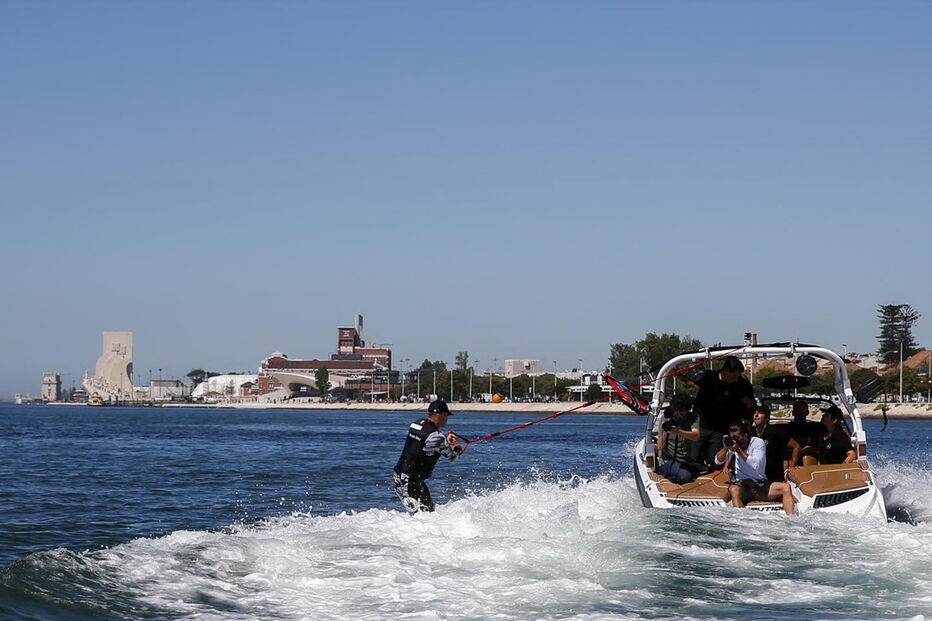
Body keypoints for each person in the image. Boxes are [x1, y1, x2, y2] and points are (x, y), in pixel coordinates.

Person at [393, 399, 463, 514]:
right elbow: (452, 457)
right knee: (417, 516)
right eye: (446, 416)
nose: (447, 420)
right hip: (406, 482)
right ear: (442, 415)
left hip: (406, 478)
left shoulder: (417, 424)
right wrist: (456, 446)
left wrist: (444, 441)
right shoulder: (436, 437)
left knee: (428, 513)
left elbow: (425, 443)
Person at [715, 420, 795, 515]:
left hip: (760, 484)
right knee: (734, 489)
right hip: (743, 485)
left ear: (745, 435)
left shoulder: (757, 442)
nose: (734, 440)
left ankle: (791, 517)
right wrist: (726, 447)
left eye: (736, 437)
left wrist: (738, 450)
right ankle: (740, 518)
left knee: (785, 487)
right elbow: (718, 461)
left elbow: (756, 464)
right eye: (732, 437)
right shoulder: (733, 445)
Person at [687, 356, 756, 467]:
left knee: (717, 461)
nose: (736, 379)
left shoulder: (739, 385)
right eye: (734, 376)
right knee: (693, 458)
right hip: (702, 426)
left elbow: (750, 405)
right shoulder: (708, 377)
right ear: (726, 371)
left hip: (719, 429)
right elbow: (688, 380)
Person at [656, 393, 702, 483]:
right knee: (686, 476)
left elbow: (696, 436)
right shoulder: (666, 418)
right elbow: (660, 446)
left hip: (685, 460)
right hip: (668, 459)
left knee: (702, 468)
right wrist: (666, 430)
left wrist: (677, 431)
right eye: (676, 411)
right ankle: (668, 476)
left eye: (682, 411)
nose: (679, 414)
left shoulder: (693, 417)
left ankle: (672, 475)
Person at [751, 404, 801, 483]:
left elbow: (796, 447)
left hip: (774, 479)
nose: (756, 415)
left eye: (760, 413)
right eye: (754, 413)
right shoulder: (749, 434)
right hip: (754, 478)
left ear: (767, 417)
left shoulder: (776, 432)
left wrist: (792, 466)